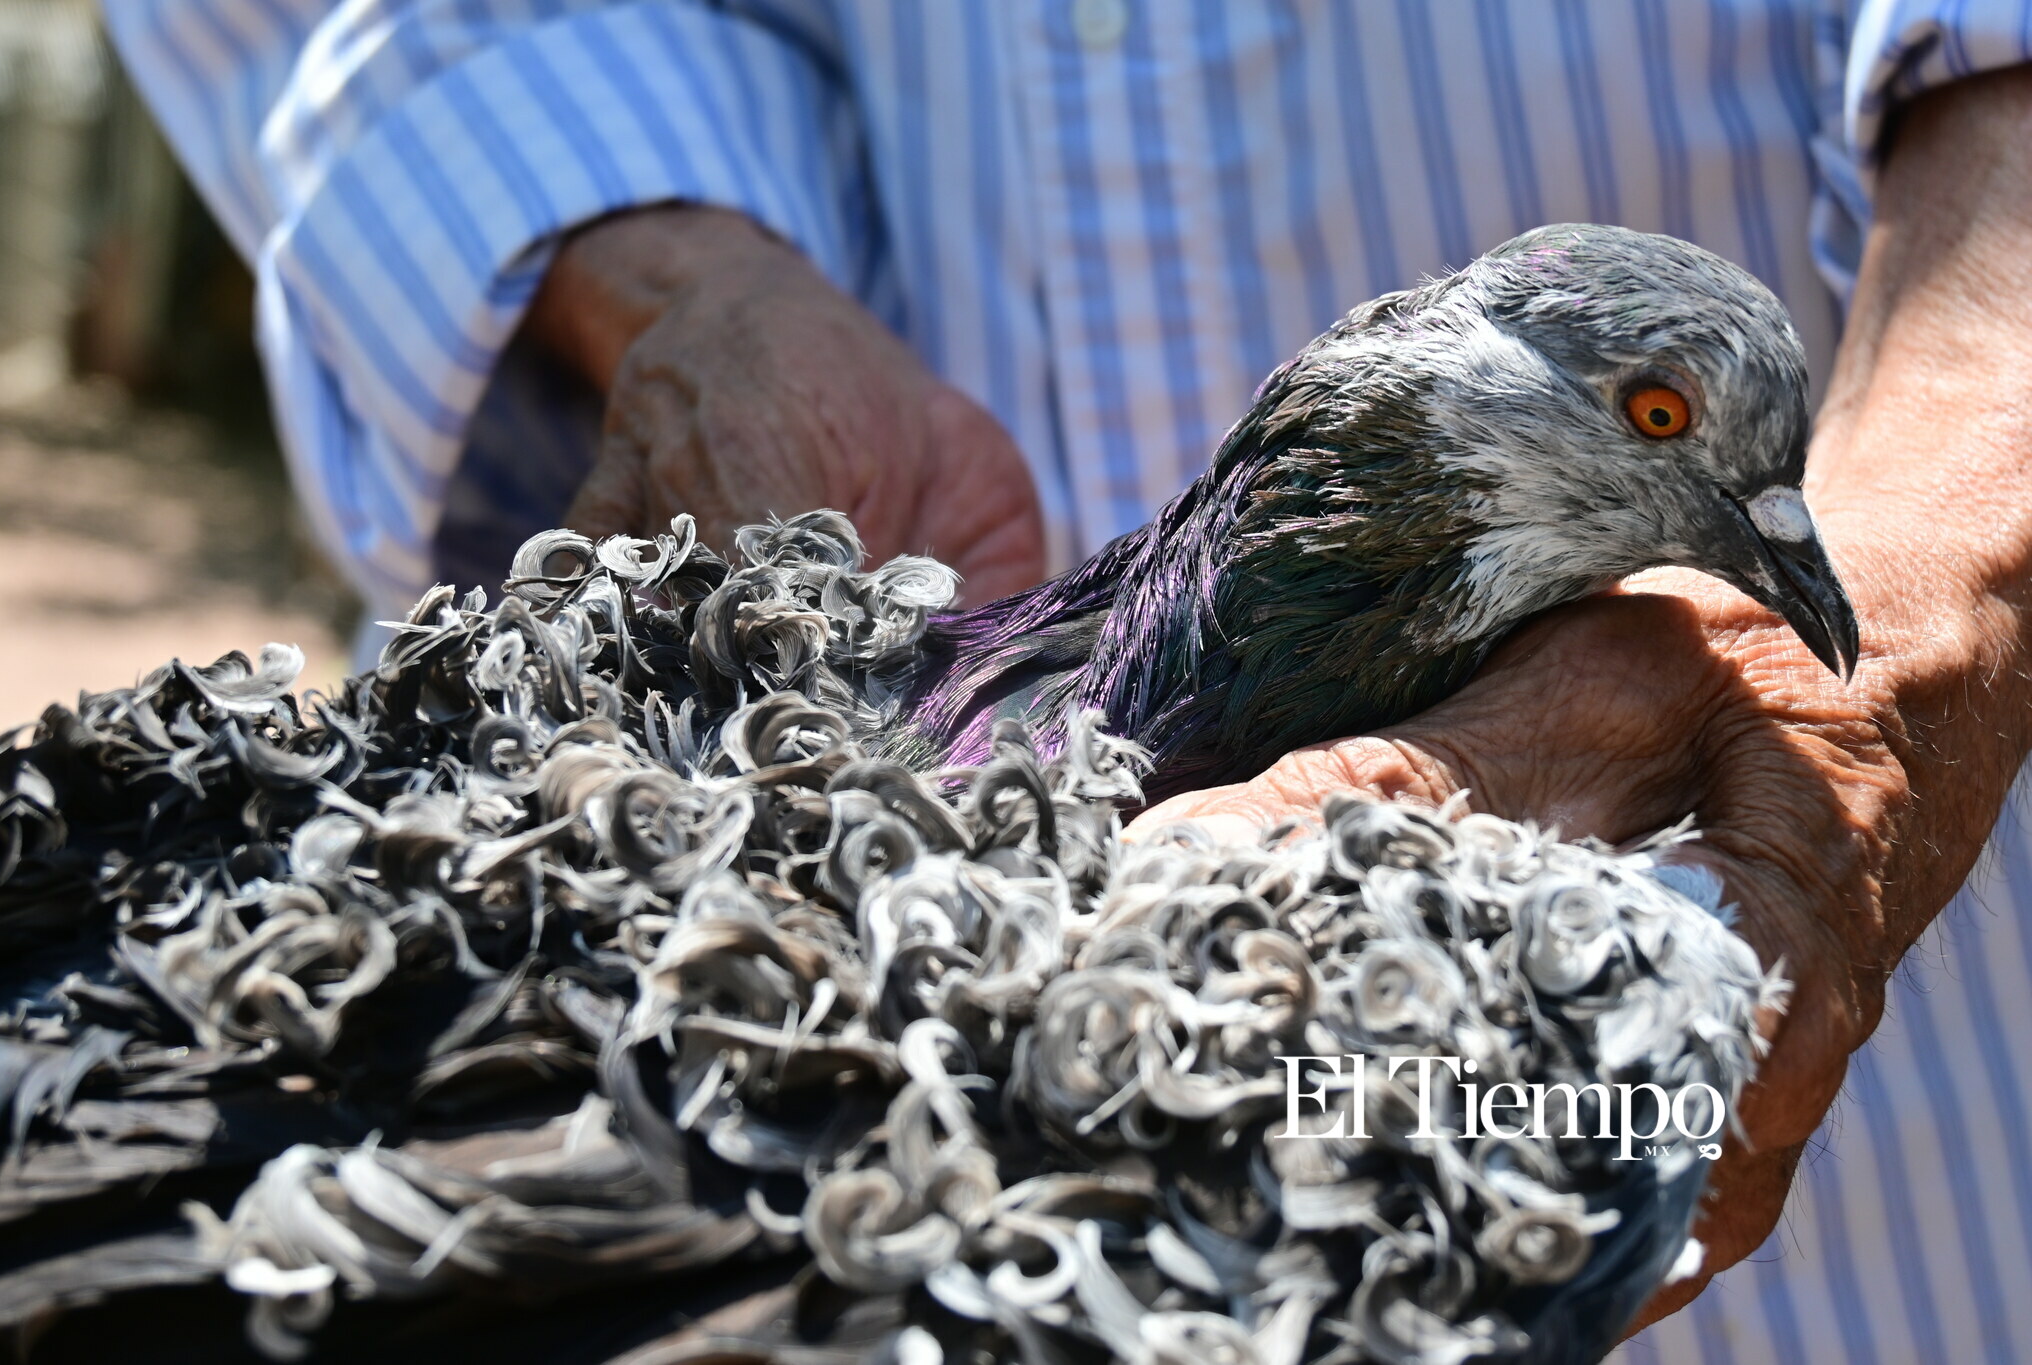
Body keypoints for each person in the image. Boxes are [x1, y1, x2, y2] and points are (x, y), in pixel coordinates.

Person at [105, 3, 2032, 1359]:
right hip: (804, 929)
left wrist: (1911, 591)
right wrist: (672, 267)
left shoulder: (1759, 550)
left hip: (1864, 1118)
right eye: (1670, 421)